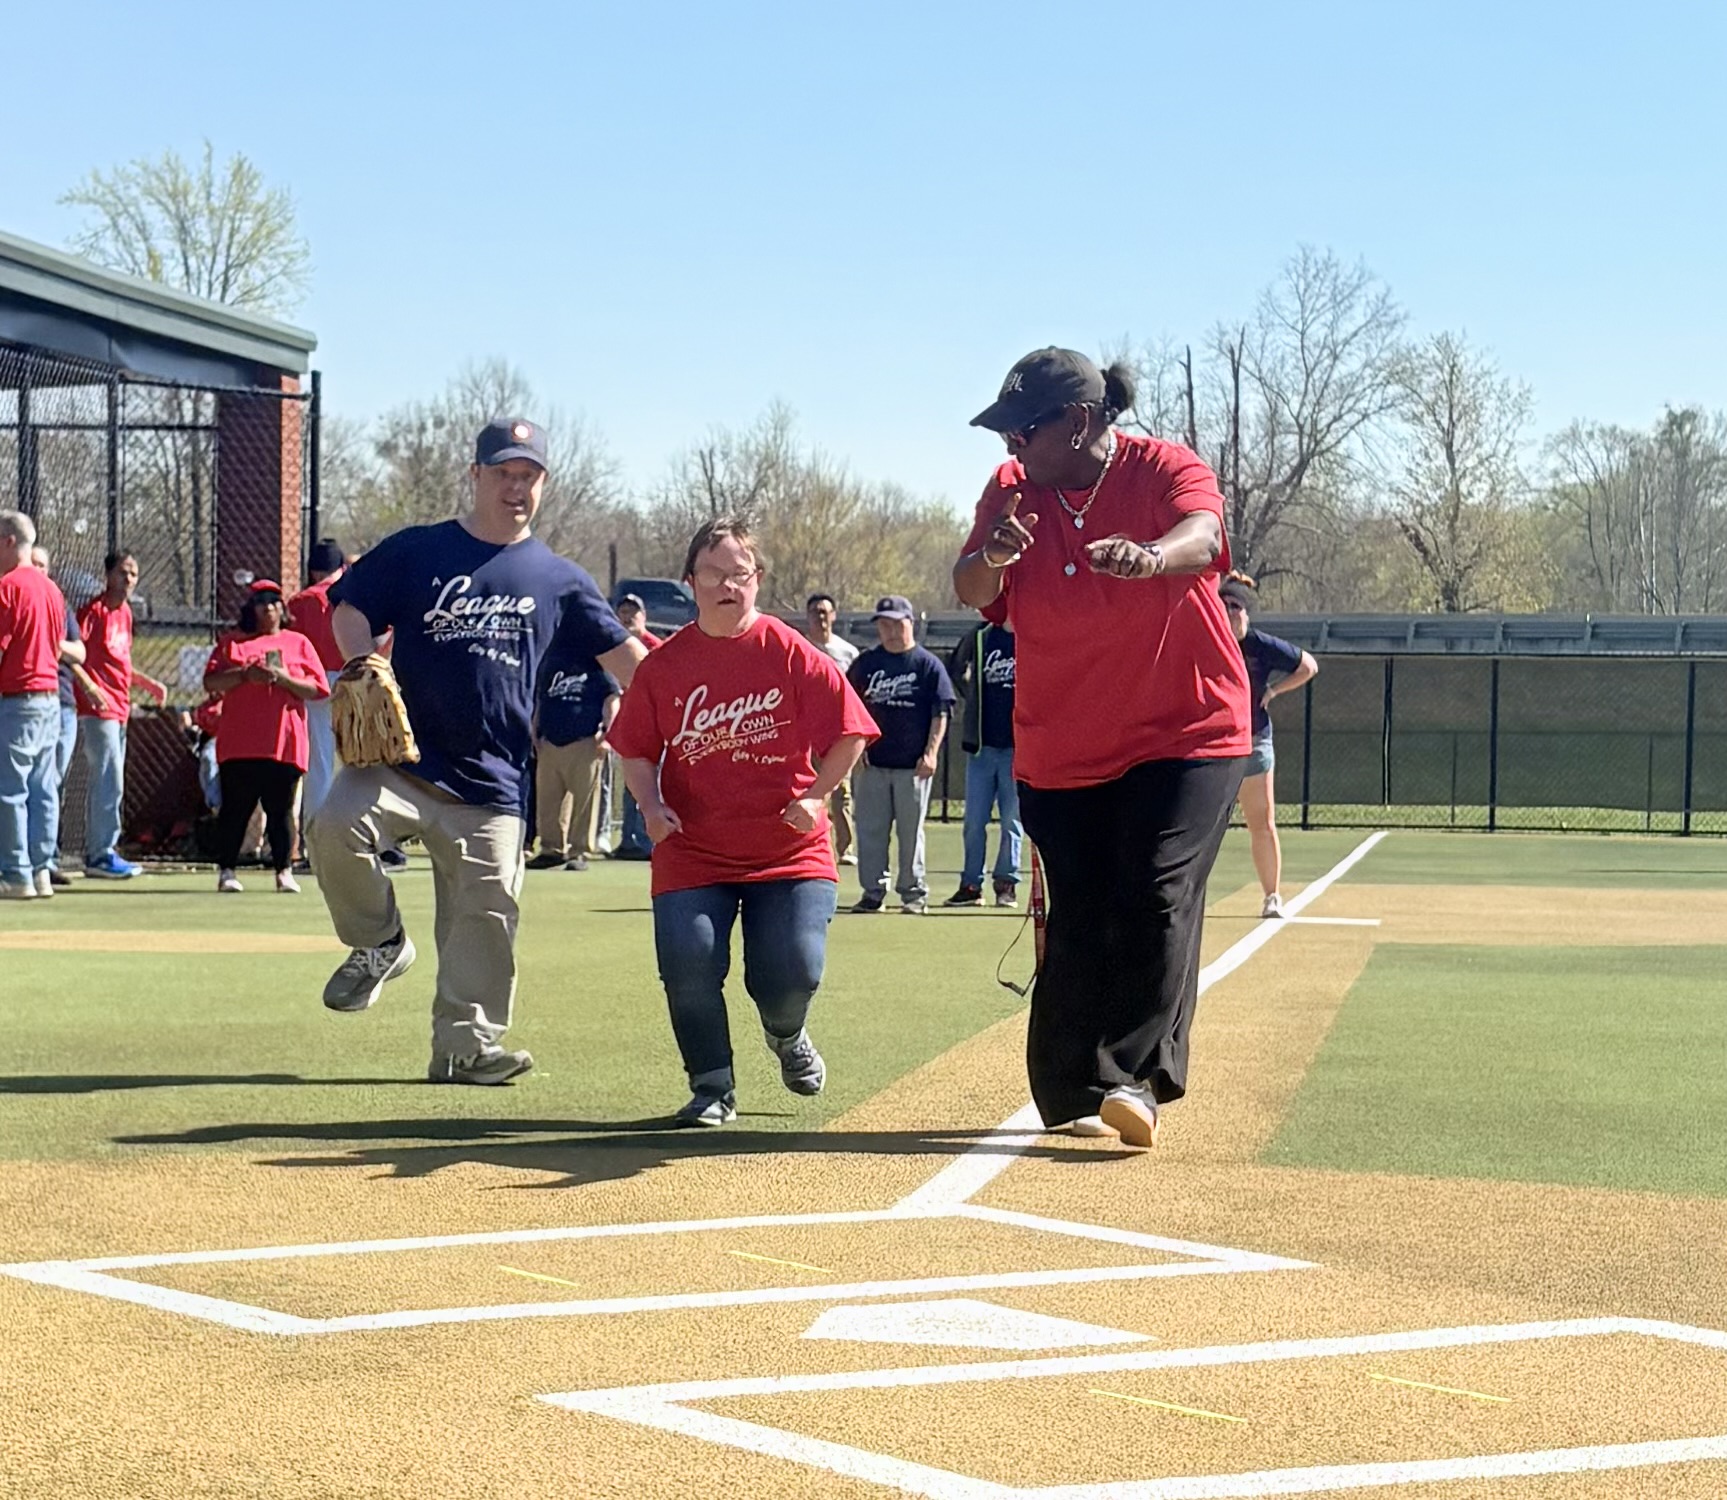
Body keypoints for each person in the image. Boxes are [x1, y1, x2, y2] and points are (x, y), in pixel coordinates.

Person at [954, 347, 1250, 1147]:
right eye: (1005, 433)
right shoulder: (1011, 490)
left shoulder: (1162, 468)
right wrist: (993, 555)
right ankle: (1071, 1087)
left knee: (1154, 889)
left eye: (1023, 430)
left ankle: (1136, 1078)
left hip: (1186, 728)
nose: (1011, 445)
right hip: (1064, 743)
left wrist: (1152, 558)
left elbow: (1203, 535)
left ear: (1079, 421)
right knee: (1081, 912)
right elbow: (972, 589)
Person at [308, 418, 646, 1085]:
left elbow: (632, 663)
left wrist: (697, 690)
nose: (516, 487)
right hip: (402, 764)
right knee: (334, 825)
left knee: (487, 914)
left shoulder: (559, 579)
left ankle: (465, 1048)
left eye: (529, 475)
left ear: (543, 484)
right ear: (475, 475)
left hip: (494, 782)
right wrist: (360, 660)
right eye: (503, 473)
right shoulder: (419, 550)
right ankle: (379, 943)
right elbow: (347, 608)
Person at [609, 517, 876, 1126]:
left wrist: (818, 796)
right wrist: (650, 805)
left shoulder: (788, 650)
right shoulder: (664, 666)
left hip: (788, 848)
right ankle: (712, 1086)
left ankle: (787, 1032)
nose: (729, 586)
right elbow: (636, 749)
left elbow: (851, 731)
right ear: (690, 582)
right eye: (714, 575)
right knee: (688, 963)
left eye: (741, 574)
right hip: (693, 848)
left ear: (758, 580)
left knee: (791, 973)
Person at [201, 580, 329, 893]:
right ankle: (227, 871)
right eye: (261, 602)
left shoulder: (298, 643)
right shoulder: (233, 643)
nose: (268, 607)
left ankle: (284, 871)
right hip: (240, 743)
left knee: (281, 811)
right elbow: (211, 682)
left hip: (283, 743)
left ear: (282, 608)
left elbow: (318, 688)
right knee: (235, 810)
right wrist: (246, 675)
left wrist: (285, 679)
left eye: (274, 601)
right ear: (251, 609)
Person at [845, 595, 954, 915]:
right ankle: (873, 892)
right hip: (873, 765)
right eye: (884, 625)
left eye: (897, 624)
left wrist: (931, 753)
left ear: (911, 624)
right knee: (871, 833)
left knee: (911, 835)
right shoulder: (866, 664)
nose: (891, 631)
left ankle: (913, 893)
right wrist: (856, 747)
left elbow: (941, 712)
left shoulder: (926, 664)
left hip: (913, 767)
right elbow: (848, 707)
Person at [1221, 572, 1318, 918]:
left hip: (1254, 741)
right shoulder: (1205, 641)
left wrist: (1274, 691)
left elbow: (1308, 666)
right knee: (1202, 827)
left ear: (1246, 612)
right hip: (1214, 745)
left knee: (1261, 822)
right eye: (1223, 605)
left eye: (1236, 606)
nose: (1230, 612)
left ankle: (1271, 896)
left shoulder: (1259, 645)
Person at [76, 550, 169, 879]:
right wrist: (90, 687)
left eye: (133, 573)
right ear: (108, 575)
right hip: (97, 708)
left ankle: (103, 850)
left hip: (120, 707)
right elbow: (71, 655)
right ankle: (100, 854)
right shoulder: (93, 612)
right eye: (123, 572)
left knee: (112, 779)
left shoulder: (125, 614)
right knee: (108, 777)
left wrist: (148, 683)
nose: (128, 579)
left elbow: (120, 663)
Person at [0, 513, 69, 900]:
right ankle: (41, 870)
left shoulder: (7, 587)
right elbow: (56, 647)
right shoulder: (52, 590)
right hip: (49, 699)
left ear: (8, 541)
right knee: (43, 789)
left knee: (9, 790)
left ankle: (15, 873)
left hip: (17, 699)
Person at [944, 617, 1021, 908]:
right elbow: (956, 667)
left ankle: (1006, 884)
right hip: (981, 747)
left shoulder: (1030, 630)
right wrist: (973, 695)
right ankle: (971, 885)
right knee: (974, 822)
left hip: (1018, 748)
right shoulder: (981, 635)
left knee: (1012, 821)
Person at [527, 636, 618, 872]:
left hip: (586, 741)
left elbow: (611, 698)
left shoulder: (596, 664)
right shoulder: (550, 662)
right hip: (550, 741)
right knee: (548, 801)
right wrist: (535, 731)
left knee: (585, 801)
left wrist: (607, 734)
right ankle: (551, 849)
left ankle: (580, 851)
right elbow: (541, 699)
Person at [31, 545, 88, 888]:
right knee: (22, 784)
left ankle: (45, 860)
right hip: (21, 701)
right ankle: (21, 859)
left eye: (42, 565)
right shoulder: (12, 598)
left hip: (61, 704)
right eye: (32, 563)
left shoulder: (58, 605)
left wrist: (55, 645)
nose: (37, 569)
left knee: (51, 782)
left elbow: (79, 652)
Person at [287, 538, 350, 832]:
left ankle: (316, 837)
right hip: (353, 677)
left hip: (314, 682)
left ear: (313, 571)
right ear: (342, 567)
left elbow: (288, 647)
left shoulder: (300, 602)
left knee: (319, 763)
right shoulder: (356, 594)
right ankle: (364, 835)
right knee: (362, 761)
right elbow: (385, 636)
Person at [604, 593, 661, 861]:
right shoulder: (611, 647)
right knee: (628, 786)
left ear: (644, 616)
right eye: (623, 612)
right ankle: (628, 841)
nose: (628, 617)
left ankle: (647, 841)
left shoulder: (656, 647)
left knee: (649, 785)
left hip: (652, 728)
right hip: (623, 726)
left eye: (633, 612)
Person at [804, 592, 859, 866]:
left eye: (825, 612)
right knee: (808, 789)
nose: (820, 617)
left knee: (841, 792)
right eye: (815, 612)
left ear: (834, 616)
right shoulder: (800, 649)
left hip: (838, 733)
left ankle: (845, 848)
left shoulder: (848, 652)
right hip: (805, 733)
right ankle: (810, 843)